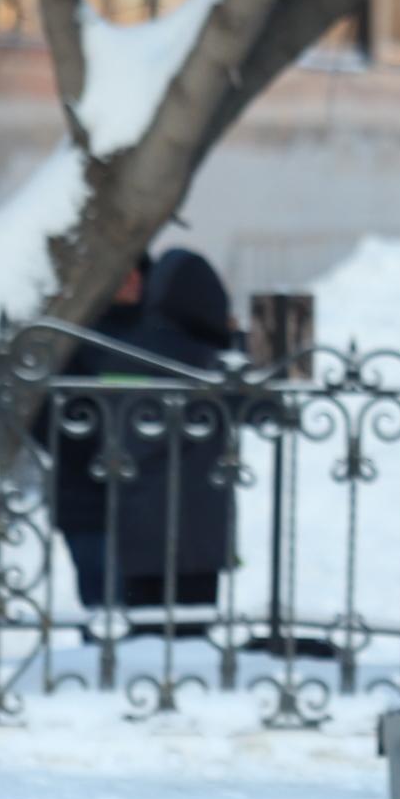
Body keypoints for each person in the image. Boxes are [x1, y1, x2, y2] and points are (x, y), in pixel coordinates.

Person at [52, 248, 240, 620]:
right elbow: (55, 422)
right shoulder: (83, 339)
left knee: (135, 628)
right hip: (93, 504)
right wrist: (94, 455)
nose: (131, 283)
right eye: (122, 276)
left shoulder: (174, 341)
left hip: (146, 512)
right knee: (110, 622)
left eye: (139, 275)